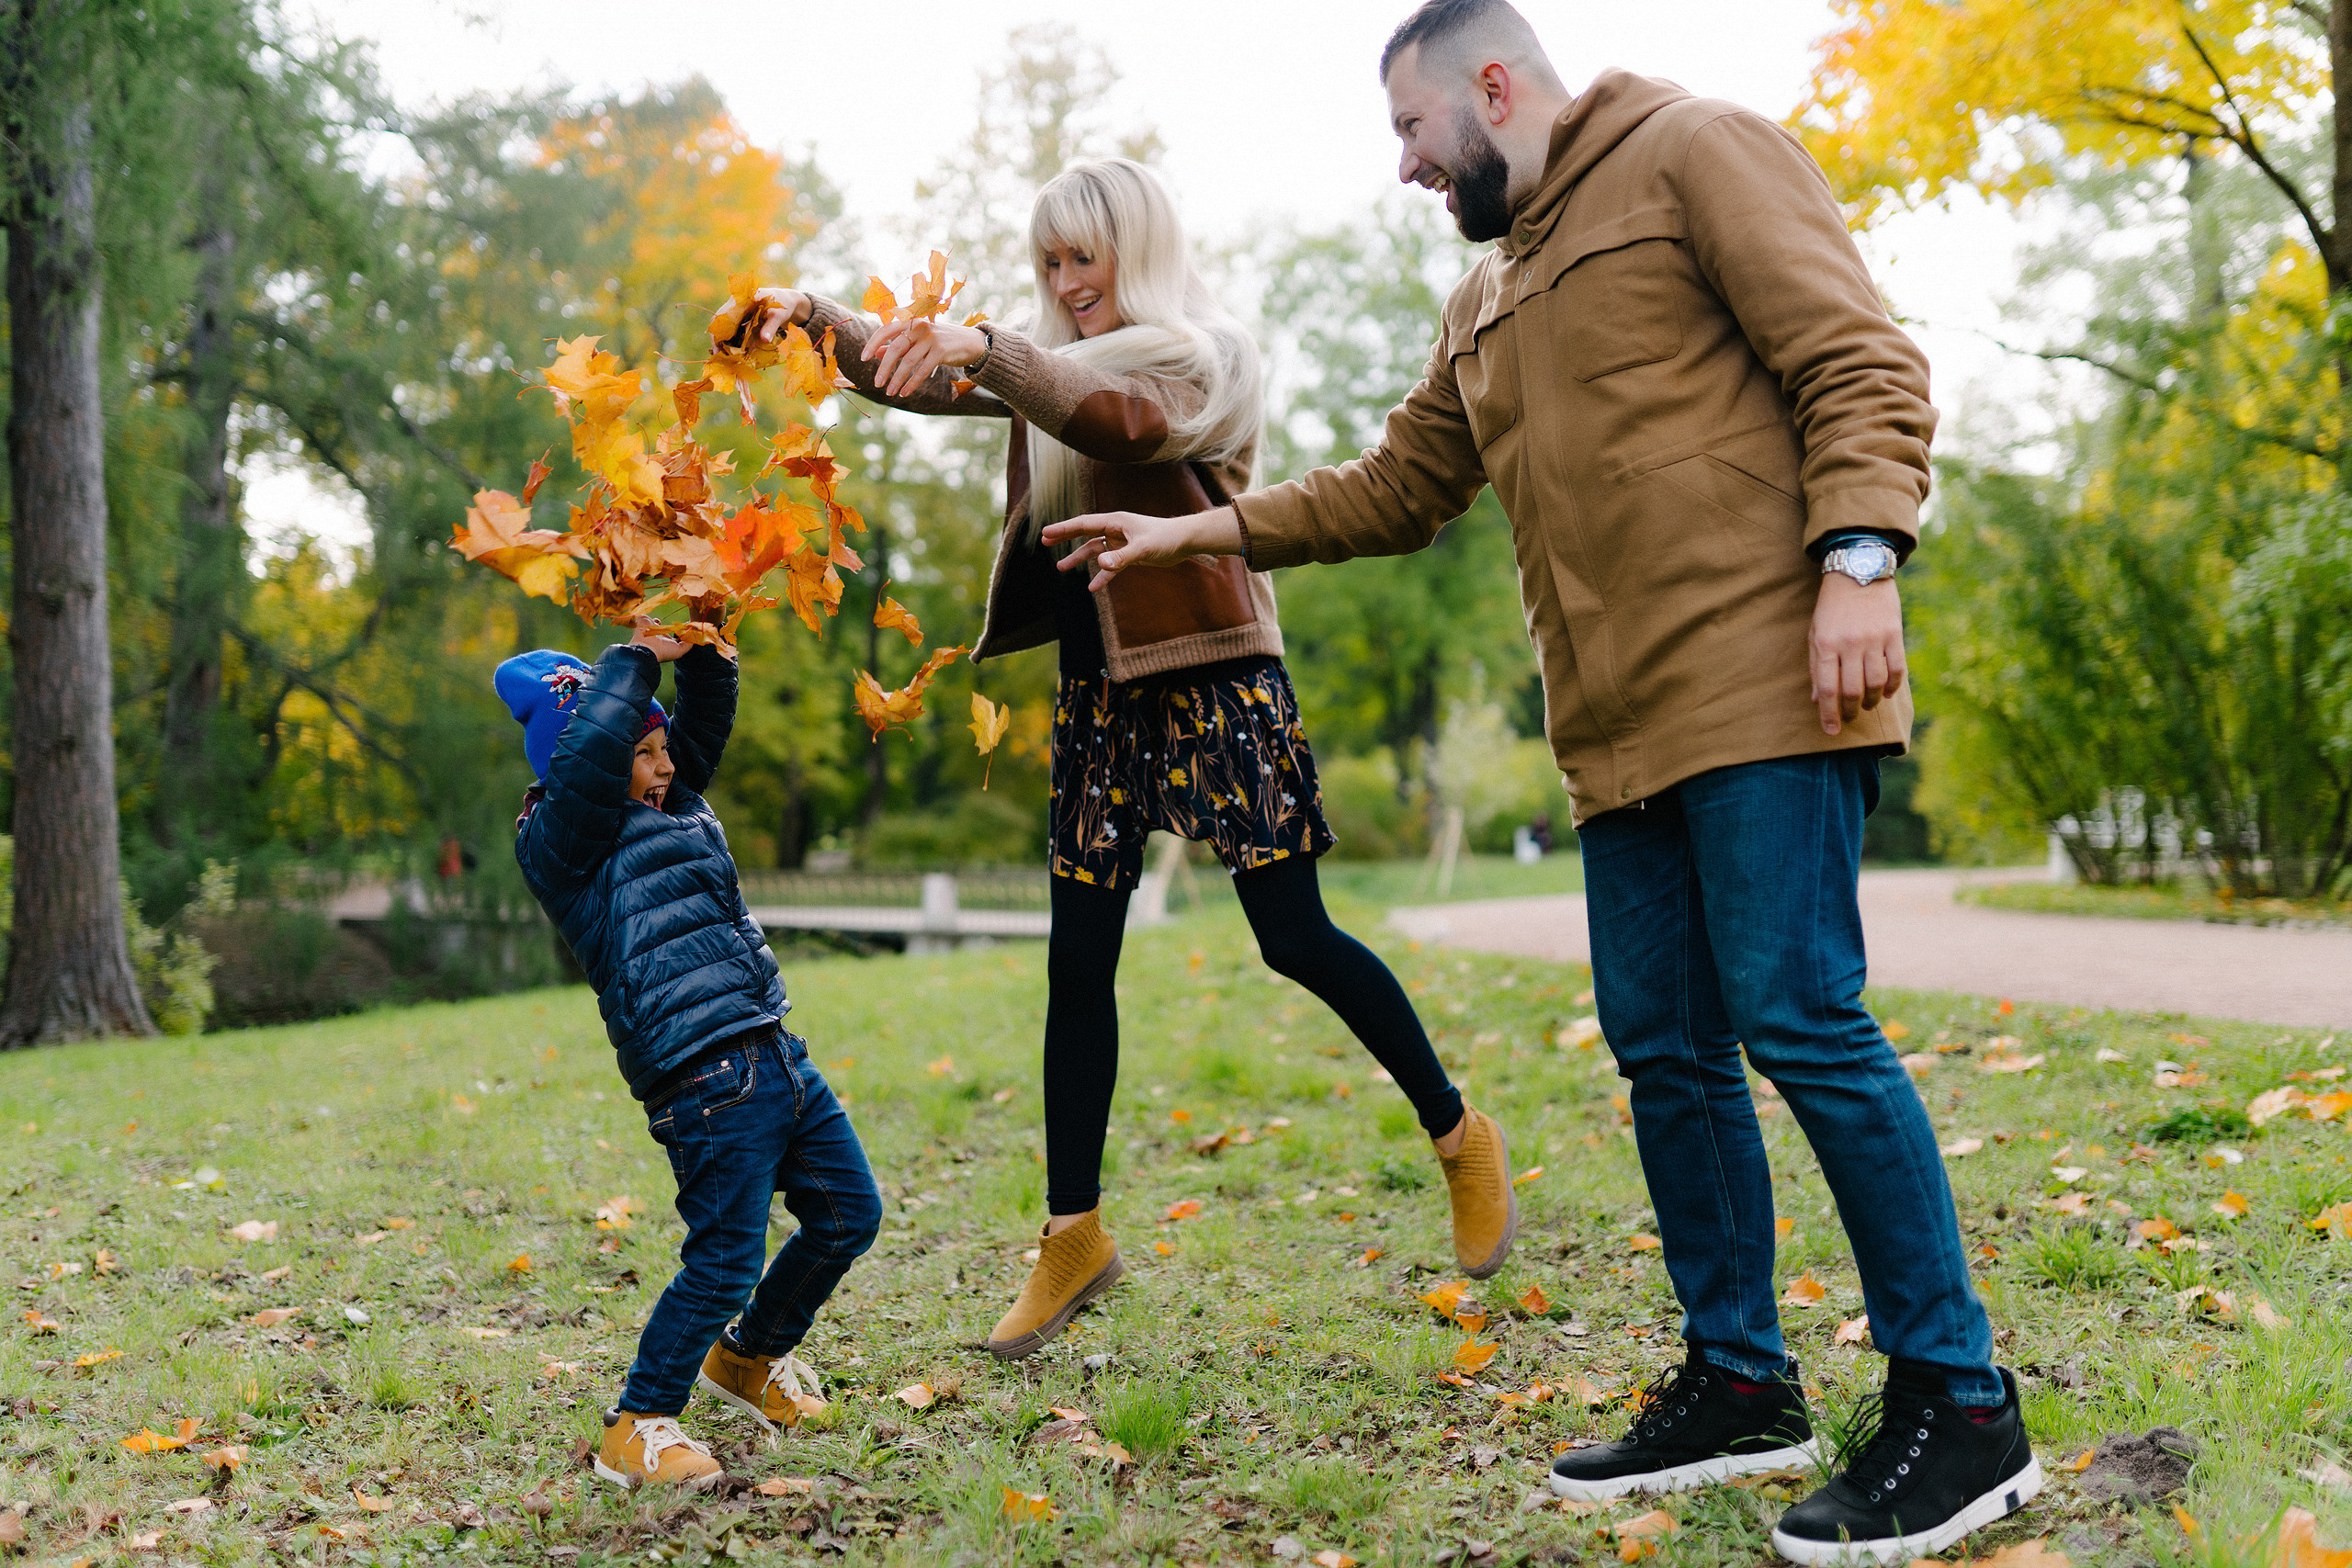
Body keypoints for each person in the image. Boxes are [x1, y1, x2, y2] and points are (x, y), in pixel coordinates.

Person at [1040, 4, 2038, 1562]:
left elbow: (1858, 356)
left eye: (1410, 130)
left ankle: (1961, 1402)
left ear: (1491, 85)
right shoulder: (1484, 295)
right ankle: (1741, 1380)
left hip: (1765, 679)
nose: (1404, 167)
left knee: (1799, 1015)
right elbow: (1394, 487)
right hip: (1616, 728)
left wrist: (1860, 558)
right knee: (1666, 1049)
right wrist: (1198, 530)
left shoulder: (1697, 152)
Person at [742, 157, 1520, 1359]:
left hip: (1216, 673)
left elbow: (1121, 421)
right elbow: (924, 379)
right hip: (1099, 692)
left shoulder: (1203, 356)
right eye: (1050, 262)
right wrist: (812, 317)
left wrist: (988, 345)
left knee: (1293, 936)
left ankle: (1459, 1132)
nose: (1066, 282)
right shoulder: (1045, 362)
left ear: (1137, 251)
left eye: (1084, 259)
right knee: (1078, 964)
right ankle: (1073, 1235)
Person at [499, 625, 881, 1488]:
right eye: (641, 752)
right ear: (585, 763)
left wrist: (706, 644)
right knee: (725, 1261)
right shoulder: (564, 844)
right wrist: (635, 659)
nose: (664, 764)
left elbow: (699, 721)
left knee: (849, 1213)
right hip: (701, 1080)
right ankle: (638, 1423)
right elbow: (592, 752)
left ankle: (748, 1358)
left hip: (774, 1050)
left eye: (663, 747)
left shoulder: (676, 802)